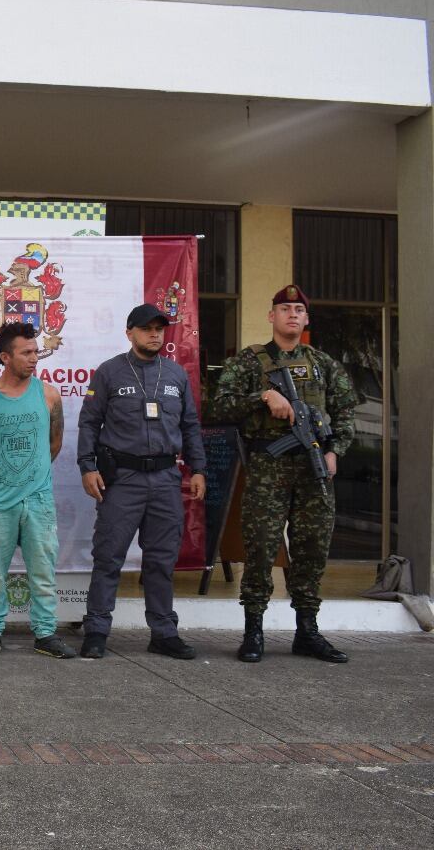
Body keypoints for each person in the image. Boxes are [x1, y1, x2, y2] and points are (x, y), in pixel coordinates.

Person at [212, 284, 357, 663]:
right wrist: (263, 397)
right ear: (271, 316)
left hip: (314, 469)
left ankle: (307, 631)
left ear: (306, 319)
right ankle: (253, 632)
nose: (292, 314)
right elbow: (220, 406)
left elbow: (345, 412)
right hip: (268, 467)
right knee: (260, 549)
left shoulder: (324, 364)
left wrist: (334, 451)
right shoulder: (249, 362)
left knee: (312, 549)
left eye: (299, 310)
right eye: (285, 308)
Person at [76, 303, 206, 660]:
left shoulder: (176, 375)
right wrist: (87, 466)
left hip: (165, 479)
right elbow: (89, 423)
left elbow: (190, 425)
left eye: (159, 329)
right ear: (129, 332)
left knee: (161, 561)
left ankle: (163, 633)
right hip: (123, 479)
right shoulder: (109, 372)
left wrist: (198, 468)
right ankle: (97, 630)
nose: (154, 335)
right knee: (108, 557)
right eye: (147, 329)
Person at [0, 322, 75, 659]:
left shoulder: (49, 395)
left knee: (43, 573)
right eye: (26, 352)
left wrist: (33, 477)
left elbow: (54, 444)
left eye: (35, 352)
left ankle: (45, 633)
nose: (34, 358)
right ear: (5, 357)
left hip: (38, 501)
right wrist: (5, 480)